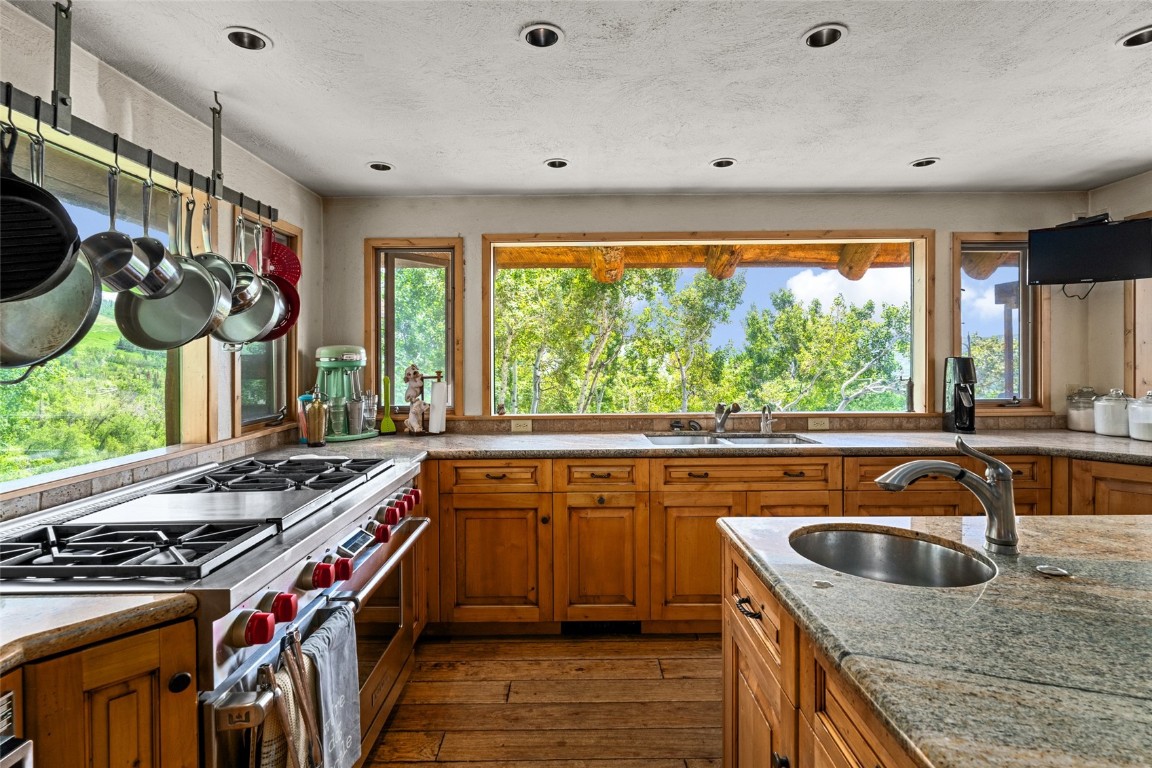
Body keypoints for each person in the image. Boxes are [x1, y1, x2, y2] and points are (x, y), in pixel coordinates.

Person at [403, 364, 426, 433]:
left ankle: (411, 426)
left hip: (414, 397)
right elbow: (420, 384)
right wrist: (418, 379)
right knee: (413, 411)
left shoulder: (413, 380)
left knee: (414, 411)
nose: (414, 372)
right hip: (410, 395)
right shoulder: (411, 382)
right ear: (408, 377)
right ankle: (414, 426)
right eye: (409, 374)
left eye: (413, 369)